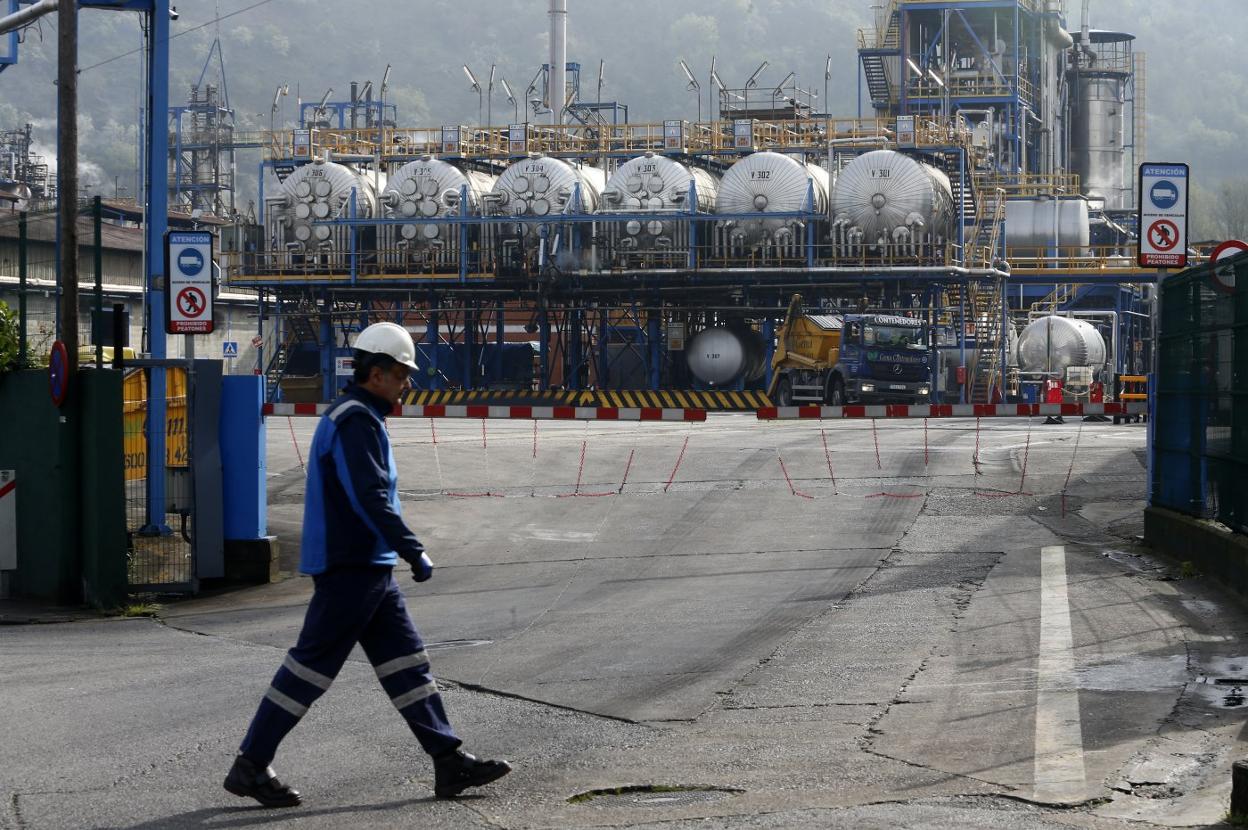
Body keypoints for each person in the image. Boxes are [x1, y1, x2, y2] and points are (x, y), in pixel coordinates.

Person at [224, 321, 511, 807]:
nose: (407, 383)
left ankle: (448, 760)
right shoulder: (356, 420)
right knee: (310, 669)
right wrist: (412, 547)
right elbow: (370, 496)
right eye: (401, 374)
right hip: (351, 565)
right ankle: (251, 764)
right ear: (376, 373)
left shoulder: (356, 415)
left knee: (406, 665)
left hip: (366, 567)